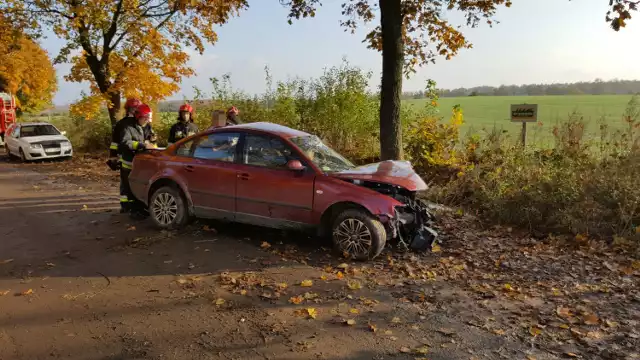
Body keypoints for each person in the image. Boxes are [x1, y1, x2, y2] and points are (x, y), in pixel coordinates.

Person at [119, 103, 155, 219]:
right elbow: (126, 142)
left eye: (147, 119)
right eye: (144, 119)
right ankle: (133, 211)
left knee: (140, 186)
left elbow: (150, 140)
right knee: (130, 187)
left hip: (141, 163)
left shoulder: (147, 127)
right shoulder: (128, 127)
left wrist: (152, 142)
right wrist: (140, 145)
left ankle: (141, 209)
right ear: (138, 117)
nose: (146, 122)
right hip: (129, 163)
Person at [107, 97, 141, 213]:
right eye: (133, 108)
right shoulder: (122, 124)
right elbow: (115, 142)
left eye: (136, 108)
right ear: (128, 109)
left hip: (137, 158)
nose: (134, 110)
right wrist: (113, 156)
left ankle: (133, 205)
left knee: (133, 182)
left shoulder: (139, 123)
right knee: (125, 182)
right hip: (124, 156)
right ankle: (125, 205)